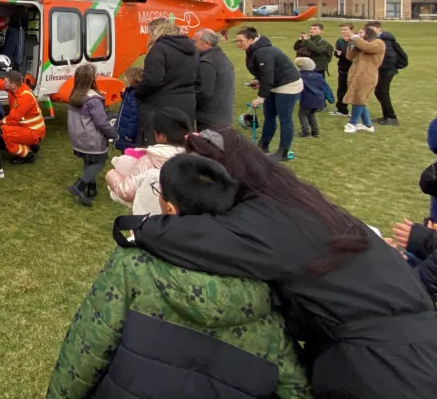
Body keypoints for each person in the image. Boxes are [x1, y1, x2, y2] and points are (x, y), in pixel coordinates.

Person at [135, 127, 437, 398]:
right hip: (414, 346)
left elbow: (182, 236)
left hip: (383, 367)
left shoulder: (264, 220)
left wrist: (146, 222)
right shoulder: (295, 201)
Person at [48, 153, 311, 399]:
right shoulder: (265, 280)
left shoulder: (133, 265)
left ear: (170, 209)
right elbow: (295, 383)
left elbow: (87, 348)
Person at [234, 26, 301, 162]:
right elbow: (263, 74)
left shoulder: (264, 52)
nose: (238, 44)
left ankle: (283, 152)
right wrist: (257, 80)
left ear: (251, 40)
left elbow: (267, 76)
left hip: (288, 85)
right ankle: (263, 146)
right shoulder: (253, 50)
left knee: (284, 118)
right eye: (237, 41)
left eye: (241, 41)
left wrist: (260, 98)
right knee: (269, 116)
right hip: (274, 84)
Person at [105, 107, 187, 215]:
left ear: (162, 136)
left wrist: (111, 174)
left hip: (148, 219)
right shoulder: (191, 159)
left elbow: (127, 191)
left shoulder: (149, 160)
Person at [132, 18, 198, 144]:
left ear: (155, 31)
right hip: (187, 102)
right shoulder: (191, 49)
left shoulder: (159, 49)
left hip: (162, 105)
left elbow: (152, 80)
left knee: (158, 145)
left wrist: (138, 92)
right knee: (181, 143)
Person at [66, 64, 117, 207]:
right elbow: (102, 123)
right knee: (100, 161)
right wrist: (114, 134)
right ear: (92, 79)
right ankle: (80, 185)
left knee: (89, 160)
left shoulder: (74, 95)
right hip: (91, 138)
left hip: (78, 137)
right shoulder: (93, 100)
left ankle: (91, 188)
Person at [343, 25, 385, 134]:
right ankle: (368, 125)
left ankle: (352, 123)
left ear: (368, 34)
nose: (359, 35)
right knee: (358, 98)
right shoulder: (360, 45)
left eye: (361, 33)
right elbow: (349, 57)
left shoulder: (378, 43)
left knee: (359, 97)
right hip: (355, 74)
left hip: (367, 75)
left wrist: (355, 38)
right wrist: (351, 45)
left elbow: (368, 48)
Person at [192, 28, 235, 131]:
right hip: (223, 115)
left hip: (209, 119)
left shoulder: (206, 62)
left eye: (194, 41)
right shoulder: (221, 56)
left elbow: (203, 92)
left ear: (206, 43)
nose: (192, 44)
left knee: (208, 146)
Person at [367, 20, 408, 126]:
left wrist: (380, 68)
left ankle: (392, 117)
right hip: (383, 70)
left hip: (387, 70)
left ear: (378, 28)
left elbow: (389, 58)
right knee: (380, 92)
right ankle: (387, 116)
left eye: (372, 29)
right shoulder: (378, 39)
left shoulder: (385, 40)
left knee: (382, 92)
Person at [1, 69, 45, 164]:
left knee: (3, 133)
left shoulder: (23, 98)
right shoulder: (20, 88)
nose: (3, 83)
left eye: (5, 82)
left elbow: (12, 119)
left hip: (33, 132)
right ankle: (32, 145)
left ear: (13, 85)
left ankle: (27, 154)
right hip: (32, 128)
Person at [294, 56, 326, 138]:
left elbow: (297, 88)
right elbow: (326, 87)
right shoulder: (319, 76)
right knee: (311, 114)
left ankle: (306, 131)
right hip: (319, 99)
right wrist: (330, 98)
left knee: (302, 114)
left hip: (307, 100)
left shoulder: (300, 76)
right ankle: (315, 131)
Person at [112, 66, 142, 152]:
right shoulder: (130, 91)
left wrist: (129, 134)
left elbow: (135, 115)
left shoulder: (135, 94)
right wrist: (124, 94)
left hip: (128, 135)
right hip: (124, 130)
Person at [330, 22, 354, 117]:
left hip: (353, 68)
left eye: (345, 29)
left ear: (351, 30)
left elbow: (354, 55)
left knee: (353, 90)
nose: (343, 31)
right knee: (341, 89)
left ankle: (355, 110)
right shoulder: (340, 40)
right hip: (343, 68)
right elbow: (337, 53)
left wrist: (343, 54)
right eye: (342, 29)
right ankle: (342, 109)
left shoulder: (355, 40)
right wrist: (337, 54)